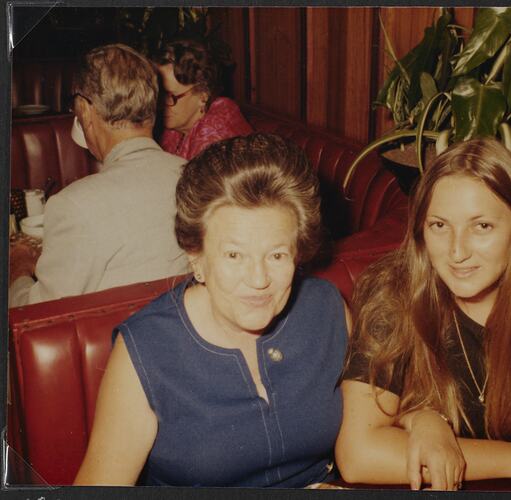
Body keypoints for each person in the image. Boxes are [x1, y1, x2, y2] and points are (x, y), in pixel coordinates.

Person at [335, 138, 511, 492]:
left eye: (481, 226)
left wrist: (431, 432)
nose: (457, 251)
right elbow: (358, 455)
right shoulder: (392, 292)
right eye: (439, 225)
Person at [74, 133, 349, 487]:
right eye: (234, 255)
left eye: (277, 255)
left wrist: (422, 420)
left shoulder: (326, 310)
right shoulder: (146, 349)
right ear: (196, 257)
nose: (259, 279)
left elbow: (383, 413)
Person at [9, 44, 189, 307]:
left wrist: (18, 270)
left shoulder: (74, 205)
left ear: (84, 111)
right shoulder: (195, 176)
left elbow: (38, 317)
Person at [155, 39, 252, 160]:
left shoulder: (215, 143)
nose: (160, 104)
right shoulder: (176, 128)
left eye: (171, 96)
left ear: (203, 95)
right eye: (159, 94)